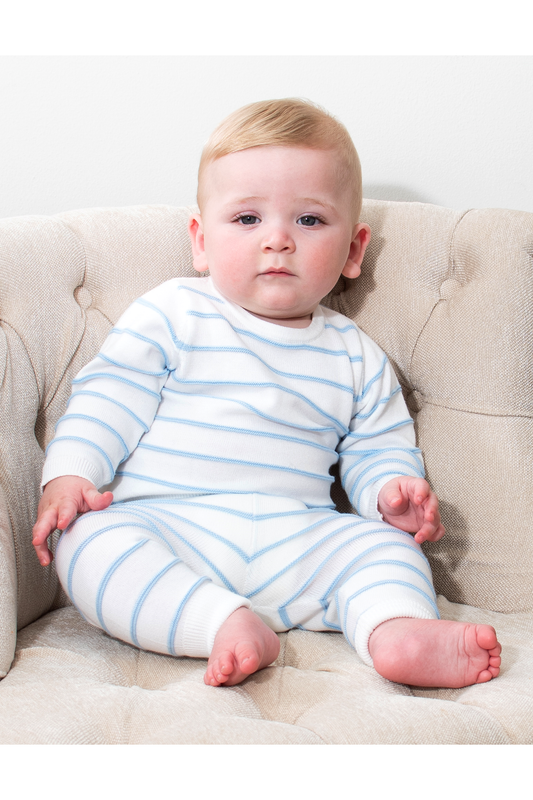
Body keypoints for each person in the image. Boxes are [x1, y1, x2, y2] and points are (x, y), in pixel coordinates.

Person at [32, 98, 501, 689]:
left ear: (354, 250)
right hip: (171, 527)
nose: (277, 240)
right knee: (87, 542)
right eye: (248, 219)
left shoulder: (356, 355)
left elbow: (377, 448)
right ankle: (217, 622)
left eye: (308, 221)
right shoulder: (174, 310)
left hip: (299, 538)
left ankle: (395, 631)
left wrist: (390, 494)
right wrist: (70, 474)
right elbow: (109, 397)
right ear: (201, 242)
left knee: (386, 550)